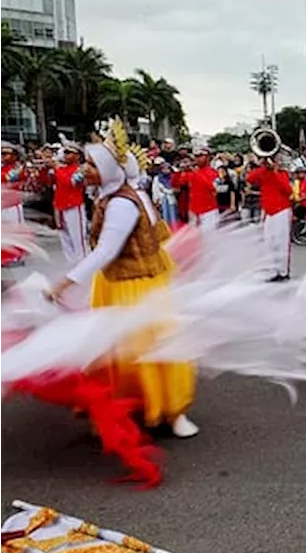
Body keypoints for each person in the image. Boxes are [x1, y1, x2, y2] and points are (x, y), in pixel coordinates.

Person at [42, 122, 199, 439]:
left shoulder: (122, 204)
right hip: (117, 284)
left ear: (109, 170)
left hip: (136, 287)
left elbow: (106, 251)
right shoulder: (113, 196)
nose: (85, 169)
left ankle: (171, 409)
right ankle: (133, 401)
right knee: (119, 348)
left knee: (149, 345)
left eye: (91, 164)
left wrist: (64, 284)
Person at [246, 155, 294, 282]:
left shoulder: (282, 173)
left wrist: (275, 171)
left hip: (281, 210)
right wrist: (262, 166)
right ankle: (272, 270)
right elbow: (250, 179)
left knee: (281, 241)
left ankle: (283, 272)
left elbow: (288, 190)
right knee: (269, 242)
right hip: (268, 211)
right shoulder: (263, 172)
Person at [53, 141, 89, 264]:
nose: (65, 155)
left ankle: (83, 266)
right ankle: (72, 267)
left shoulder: (81, 169)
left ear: (77, 155)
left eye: (69, 153)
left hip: (74, 206)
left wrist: (56, 169)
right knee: (65, 240)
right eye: (65, 152)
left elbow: (70, 183)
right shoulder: (61, 169)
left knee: (78, 239)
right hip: (60, 206)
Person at [172, 146, 220, 234]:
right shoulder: (192, 173)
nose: (197, 159)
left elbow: (213, 188)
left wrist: (195, 172)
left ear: (208, 157)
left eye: (200, 156)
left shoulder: (213, 172)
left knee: (209, 240)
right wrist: (179, 170)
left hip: (208, 212)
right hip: (193, 211)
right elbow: (176, 184)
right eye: (196, 156)